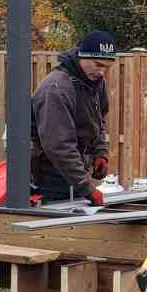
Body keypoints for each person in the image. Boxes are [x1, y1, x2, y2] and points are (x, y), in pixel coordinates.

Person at [31, 30, 115, 204]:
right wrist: (86, 187)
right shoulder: (56, 89)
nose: (102, 72)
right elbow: (59, 147)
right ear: (81, 57)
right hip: (47, 177)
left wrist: (100, 152)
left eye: (107, 67)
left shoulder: (95, 84)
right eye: (98, 64)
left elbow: (98, 121)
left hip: (74, 173)